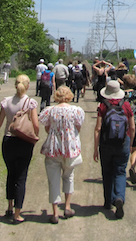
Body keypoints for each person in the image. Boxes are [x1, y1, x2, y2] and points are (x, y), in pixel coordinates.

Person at [0, 74, 39, 223]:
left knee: (11, 174)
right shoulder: (31, 103)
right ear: (27, 86)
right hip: (24, 142)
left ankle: (9, 206)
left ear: (16, 85)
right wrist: (35, 137)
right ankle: (17, 213)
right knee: (21, 177)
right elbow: (35, 124)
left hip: (8, 141)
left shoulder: (6, 102)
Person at [39, 86, 85, 224]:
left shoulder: (50, 111)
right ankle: (67, 206)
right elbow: (78, 128)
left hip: (54, 148)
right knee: (68, 176)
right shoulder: (76, 111)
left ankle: (55, 213)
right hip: (70, 148)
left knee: (53, 180)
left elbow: (47, 128)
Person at [93, 80, 135, 219]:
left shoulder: (102, 106)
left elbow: (98, 128)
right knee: (120, 172)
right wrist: (130, 144)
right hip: (123, 142)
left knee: (107, 172)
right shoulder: (126, 105)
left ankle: (107, 201)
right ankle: (119, 198)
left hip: (106, 143)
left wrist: (95, 148)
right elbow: (132, 127)